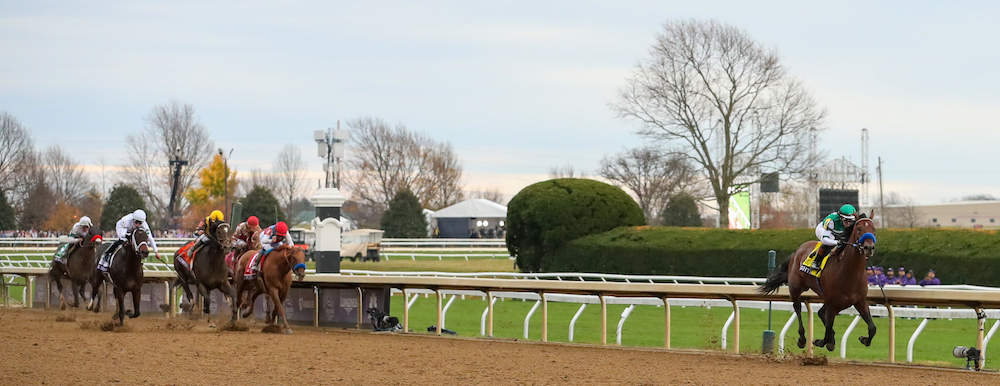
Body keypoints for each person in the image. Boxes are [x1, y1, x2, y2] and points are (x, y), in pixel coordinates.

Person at [97, 209, 162, 276]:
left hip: (131, 231)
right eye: (136, 222)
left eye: (140, 223)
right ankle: (105, 257)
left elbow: (150, 238)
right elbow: (122, 234)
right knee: (122, 240)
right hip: (121, 228)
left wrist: (156, 252)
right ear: (133, 219)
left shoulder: (144, 225)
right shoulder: (127, 221)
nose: (137, 224)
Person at [805, 204, 857, 272]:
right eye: (846, 220)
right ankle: (816, 262)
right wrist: (837, 242)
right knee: (831, 241)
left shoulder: (853, 223)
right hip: (823, 230)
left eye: (851, 221)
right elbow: (825, 240)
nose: (848, 223)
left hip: (838, 231)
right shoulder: (832, 222)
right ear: (840, 218)